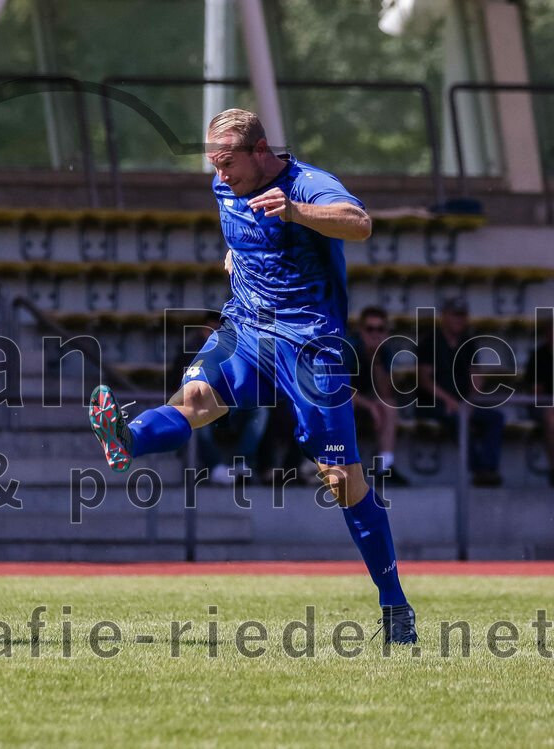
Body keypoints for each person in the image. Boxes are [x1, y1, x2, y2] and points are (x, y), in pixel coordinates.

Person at [88, 108, 417, 644]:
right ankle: (128, 438)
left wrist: (296, 212)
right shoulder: (226, 186)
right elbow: (244, 228)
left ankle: (394, 603)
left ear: (260, 151)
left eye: (228, 164)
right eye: (213, 165)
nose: (220, 176)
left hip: (310, 342)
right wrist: (237, 254)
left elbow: (359, 223)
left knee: (341, 480)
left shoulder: (306, 183)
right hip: (246, 329)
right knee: (195, 398)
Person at [416, 298, 504, 487]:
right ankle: (480, 471)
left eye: (462, 315)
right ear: (445, 316)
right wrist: (449, 401)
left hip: (462, 403)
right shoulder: (430, 342)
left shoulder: (468, 343)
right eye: (455, 314)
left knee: (496, 418)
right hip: (432, 403)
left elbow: (476, 377)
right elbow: (424, 380)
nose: (459, 319)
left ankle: (489, 468)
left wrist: (470, 402)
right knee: (456, 418)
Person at [172, 313, 268, 485]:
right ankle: (214, 466)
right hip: (203, 405)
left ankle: (242, 462)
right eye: (210, 330)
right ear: (202, 330)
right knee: (194, 414)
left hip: (230, 406)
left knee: (260, 409)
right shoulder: (190, 351)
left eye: (219, 330)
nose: (214, 334)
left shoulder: (236, 349)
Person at [343, 306, 409, 486]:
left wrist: (376, 358)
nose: (375, 334)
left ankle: (385, 467)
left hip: (365, 405)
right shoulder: (348, 347)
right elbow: (339, 389)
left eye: (380, 329)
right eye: (370, 329)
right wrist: (370, 406)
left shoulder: (384, 352)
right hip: (341, 404)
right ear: (361, 330)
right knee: (345, 403)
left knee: (389, 405)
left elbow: (385, 392)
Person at [524, 321, 554, 487]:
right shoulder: (538, 357)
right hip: (542, 406)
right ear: (547, 334)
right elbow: (537, 392)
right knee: (551, 417)